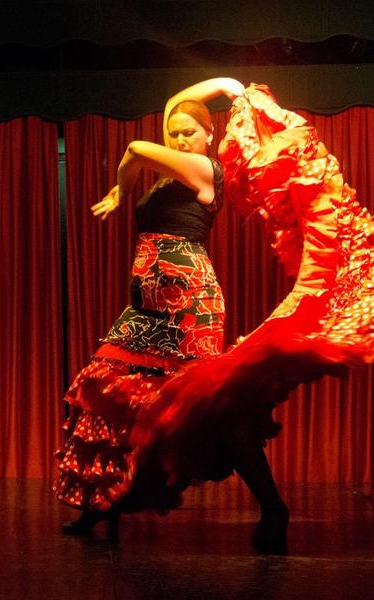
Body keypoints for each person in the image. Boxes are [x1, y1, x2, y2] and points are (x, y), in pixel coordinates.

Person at [54, 78, 289, 552]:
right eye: (175, 134)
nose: (180, 139)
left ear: (209, 135)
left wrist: (230, 86)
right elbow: (158, 123)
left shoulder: (206, 169)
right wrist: (122, 190)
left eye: (189, 132)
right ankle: (102, 503)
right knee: (111, 390)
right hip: (145, 307)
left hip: (189, 306)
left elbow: (136, 146)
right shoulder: (171, 169)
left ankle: (273, 507)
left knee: (210, 411)